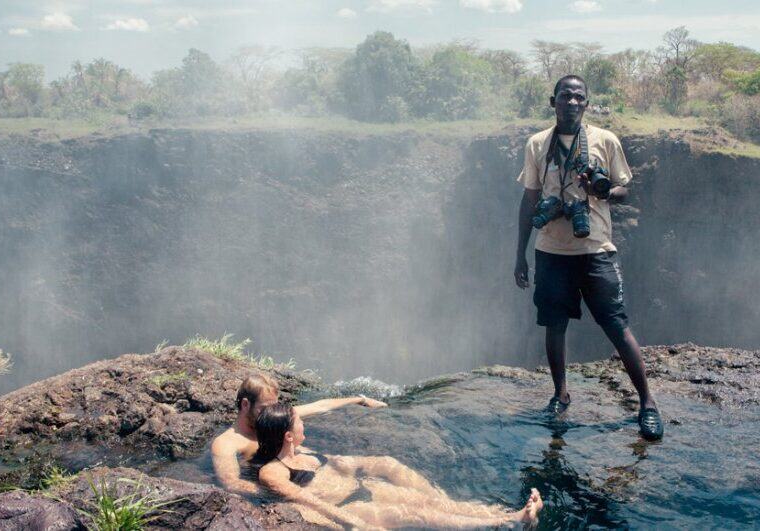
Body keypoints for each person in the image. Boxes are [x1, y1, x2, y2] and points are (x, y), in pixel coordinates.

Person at [513, 74, 664, 440]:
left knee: (615, 323)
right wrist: (520, 254)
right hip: (550, 250)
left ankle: (647, 404)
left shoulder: (605, 140)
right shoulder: (537, 144)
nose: (572, 102)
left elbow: (625, 190)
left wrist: (603, 191)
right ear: (553, 102)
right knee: (554, 325)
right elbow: (530, 199)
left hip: (596, 249)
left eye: (579, 97)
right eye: (565, 96)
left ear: (587, 103)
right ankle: (560, 395)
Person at [254, 403, 544, 530]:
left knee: (432, 503)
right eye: (298, 422)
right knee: (423, 515)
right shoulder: (272, 471)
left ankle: (509, 516)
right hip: (347, 508)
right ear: (288, 435)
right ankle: (508, 521)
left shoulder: (304, 449)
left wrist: (376, 466)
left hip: (367, 490)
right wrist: (352, 523)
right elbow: (307, 500)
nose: (304, 422)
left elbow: (345, 466)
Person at [211, 374, 389, 496]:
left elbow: (320, 406)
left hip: (312, 469)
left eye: (274, 406)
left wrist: (360, 400)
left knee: (384, 467)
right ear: (245, 404)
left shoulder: (273, 417)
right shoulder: (226, 443)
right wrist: (285, 490)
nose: (272, 412)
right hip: (294, 485)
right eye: (265, 408)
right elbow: (231, 483)